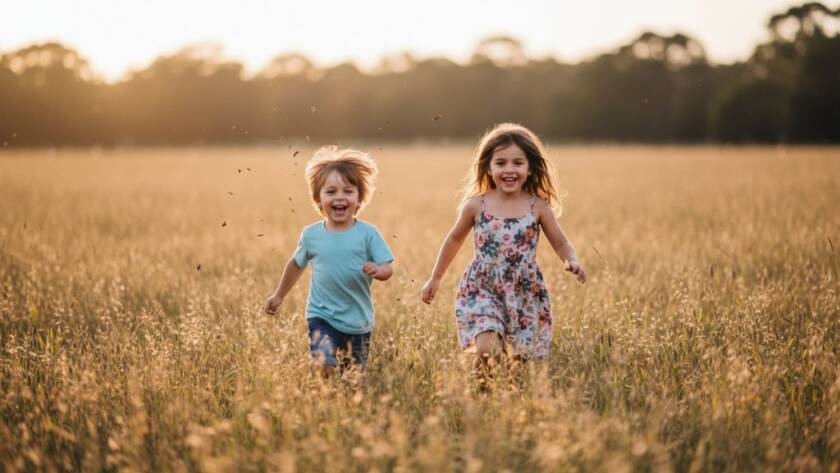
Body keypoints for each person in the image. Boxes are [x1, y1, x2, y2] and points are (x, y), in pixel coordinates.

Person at [421, 123, 586, 376]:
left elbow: (561, 242)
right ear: (488, 167)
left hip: (524, 290)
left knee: (515, 361)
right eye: (501, 163)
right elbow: (454, 239)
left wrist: (571, 260)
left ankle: (497, 394)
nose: (509, 169)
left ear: (530, 168)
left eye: (518, 163)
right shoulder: (476, 205)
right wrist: (435, 278)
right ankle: (485, 385)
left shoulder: (537, 207)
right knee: (488, 348)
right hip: (483, 286)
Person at [264, 146, 394, 379]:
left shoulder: (368, 234)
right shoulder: (311, 235)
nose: (340, 197)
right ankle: (321, 396)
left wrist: (379, 270)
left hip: (358, 322)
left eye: (348, 191)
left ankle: (344, 408)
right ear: (318, 199)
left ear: (359, 198)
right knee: (323, 363)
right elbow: (296, 265)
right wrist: (279, 295)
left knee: (353, 379)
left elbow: (388, 267)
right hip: (321, 316)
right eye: (331, 191)